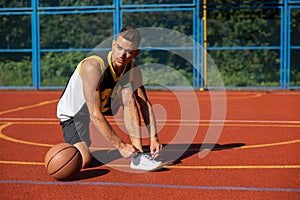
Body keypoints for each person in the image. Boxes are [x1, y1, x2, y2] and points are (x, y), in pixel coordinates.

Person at [56, 26, 163, 171]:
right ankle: (65, 151)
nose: (122, 55)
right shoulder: (93, 66)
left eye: (129, 51)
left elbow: (144, 104)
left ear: (136, 53)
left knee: (127, 95)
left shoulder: (133, 70)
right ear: (113, 44)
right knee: (83, 161)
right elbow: (94, 114)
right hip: (75, 114)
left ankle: (138, 157)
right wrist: (120, 146)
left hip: (103, 102)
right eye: (119, 48)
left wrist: (154, 138)